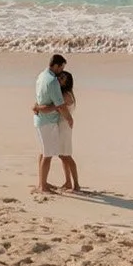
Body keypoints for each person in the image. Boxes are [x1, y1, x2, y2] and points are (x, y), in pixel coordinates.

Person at [31, 53, 70, 194]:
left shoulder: (41, 76)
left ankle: (42, 182)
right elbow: (60, 104)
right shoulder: (53, 81)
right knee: (47, 155)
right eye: (61, 68)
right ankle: (43, 187)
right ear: (56, 65)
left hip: (39, 120)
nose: (62, 71)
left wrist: (39, 107)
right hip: (48, 121)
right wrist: (69, 118)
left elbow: (40, 98)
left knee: (43, 153)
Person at [54, 67, 82, 192]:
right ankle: (68, 182)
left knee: (66, 156)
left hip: (64, 126)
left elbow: (58, 108)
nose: (59, 79)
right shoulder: (65, 93)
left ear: (67, 82)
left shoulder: (65, 95)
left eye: (62, 78)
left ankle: (76, 184)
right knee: (63, 155)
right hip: (63, 125)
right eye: (59, 77)